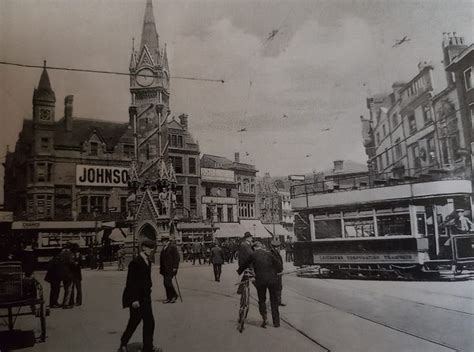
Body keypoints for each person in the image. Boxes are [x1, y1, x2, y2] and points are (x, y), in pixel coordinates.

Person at [119, 240, 161, 352]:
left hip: (146, 297)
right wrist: (134, 299)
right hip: (137, 299)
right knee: (134, 321)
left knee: (149, 322)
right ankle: (123, 343)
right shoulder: (136, 262)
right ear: (143, 248)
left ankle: (148, 347)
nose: (152, 250)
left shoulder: (148, 261)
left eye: (152, 248)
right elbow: (131, 282)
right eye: (150, 248)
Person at [237, 241, 283, 328]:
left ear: (254, 248)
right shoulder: (269, 254)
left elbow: (244, 265)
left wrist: (239, 272)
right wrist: (275, 272)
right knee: (274, 300)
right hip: (272, 280)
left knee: (262, 300)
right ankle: (276, 323)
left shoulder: (253, 255)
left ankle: (265, 318)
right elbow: (279, 267)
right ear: (261, 246)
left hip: (260, 281)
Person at [159, 238, 180, 304]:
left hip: (170, 268)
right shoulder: (164, 248)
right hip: (164, 269)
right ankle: (169, 297)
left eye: (163, 241)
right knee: (166, 283)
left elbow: (177, 257)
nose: (162, 243)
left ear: (167, 241)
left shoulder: (172, 247)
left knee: (167, 282)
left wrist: (175, 267)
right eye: (162, 242)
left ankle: (173, 296)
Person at [59, 243, 75, 309]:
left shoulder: (61, 254)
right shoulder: (70, 254)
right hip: (69, 273)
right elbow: (71, 263)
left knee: (66, 288)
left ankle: (65, 302)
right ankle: (66, 304)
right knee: (69, 289)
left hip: (62, 273)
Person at [270, 239, 285, 307]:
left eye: (278, 247)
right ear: (273, 247)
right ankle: (275, 301)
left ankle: (279, 301)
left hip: (279, 273)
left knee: (279, 287)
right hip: (274, 274)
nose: (278, 248)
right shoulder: (271, 254)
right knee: (275, 288)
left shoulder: (278, 254)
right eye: (276, 247)